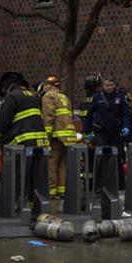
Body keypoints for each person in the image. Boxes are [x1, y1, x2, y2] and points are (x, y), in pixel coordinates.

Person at [84, 78, 132, 188]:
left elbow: (125, 114)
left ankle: (120, 184)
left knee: (118, 157)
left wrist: (126, 127)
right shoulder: (97, 98)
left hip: (115, 132)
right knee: (101, 157)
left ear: (114, 85)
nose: (108, 87)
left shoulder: (120, 98)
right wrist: (87, 131)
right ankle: (98, 185)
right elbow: (89, 116)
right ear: (103, 86)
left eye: (110, 85)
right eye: (106, 85)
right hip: (101, 132)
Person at [40, 75, 77, 207]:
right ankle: (63, 190)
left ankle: (51, 191)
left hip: (56, 135)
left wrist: (47, 136)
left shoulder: (48, 96)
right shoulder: (64, 97)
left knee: (52, 163)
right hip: (69, 135)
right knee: (63, 164)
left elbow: (48, 117)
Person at [0, 72, 50, 148]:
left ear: (7, 87)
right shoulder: (33, 97)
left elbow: (2, 123)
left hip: (22, 144)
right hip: (41, 143)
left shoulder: (13, 97)